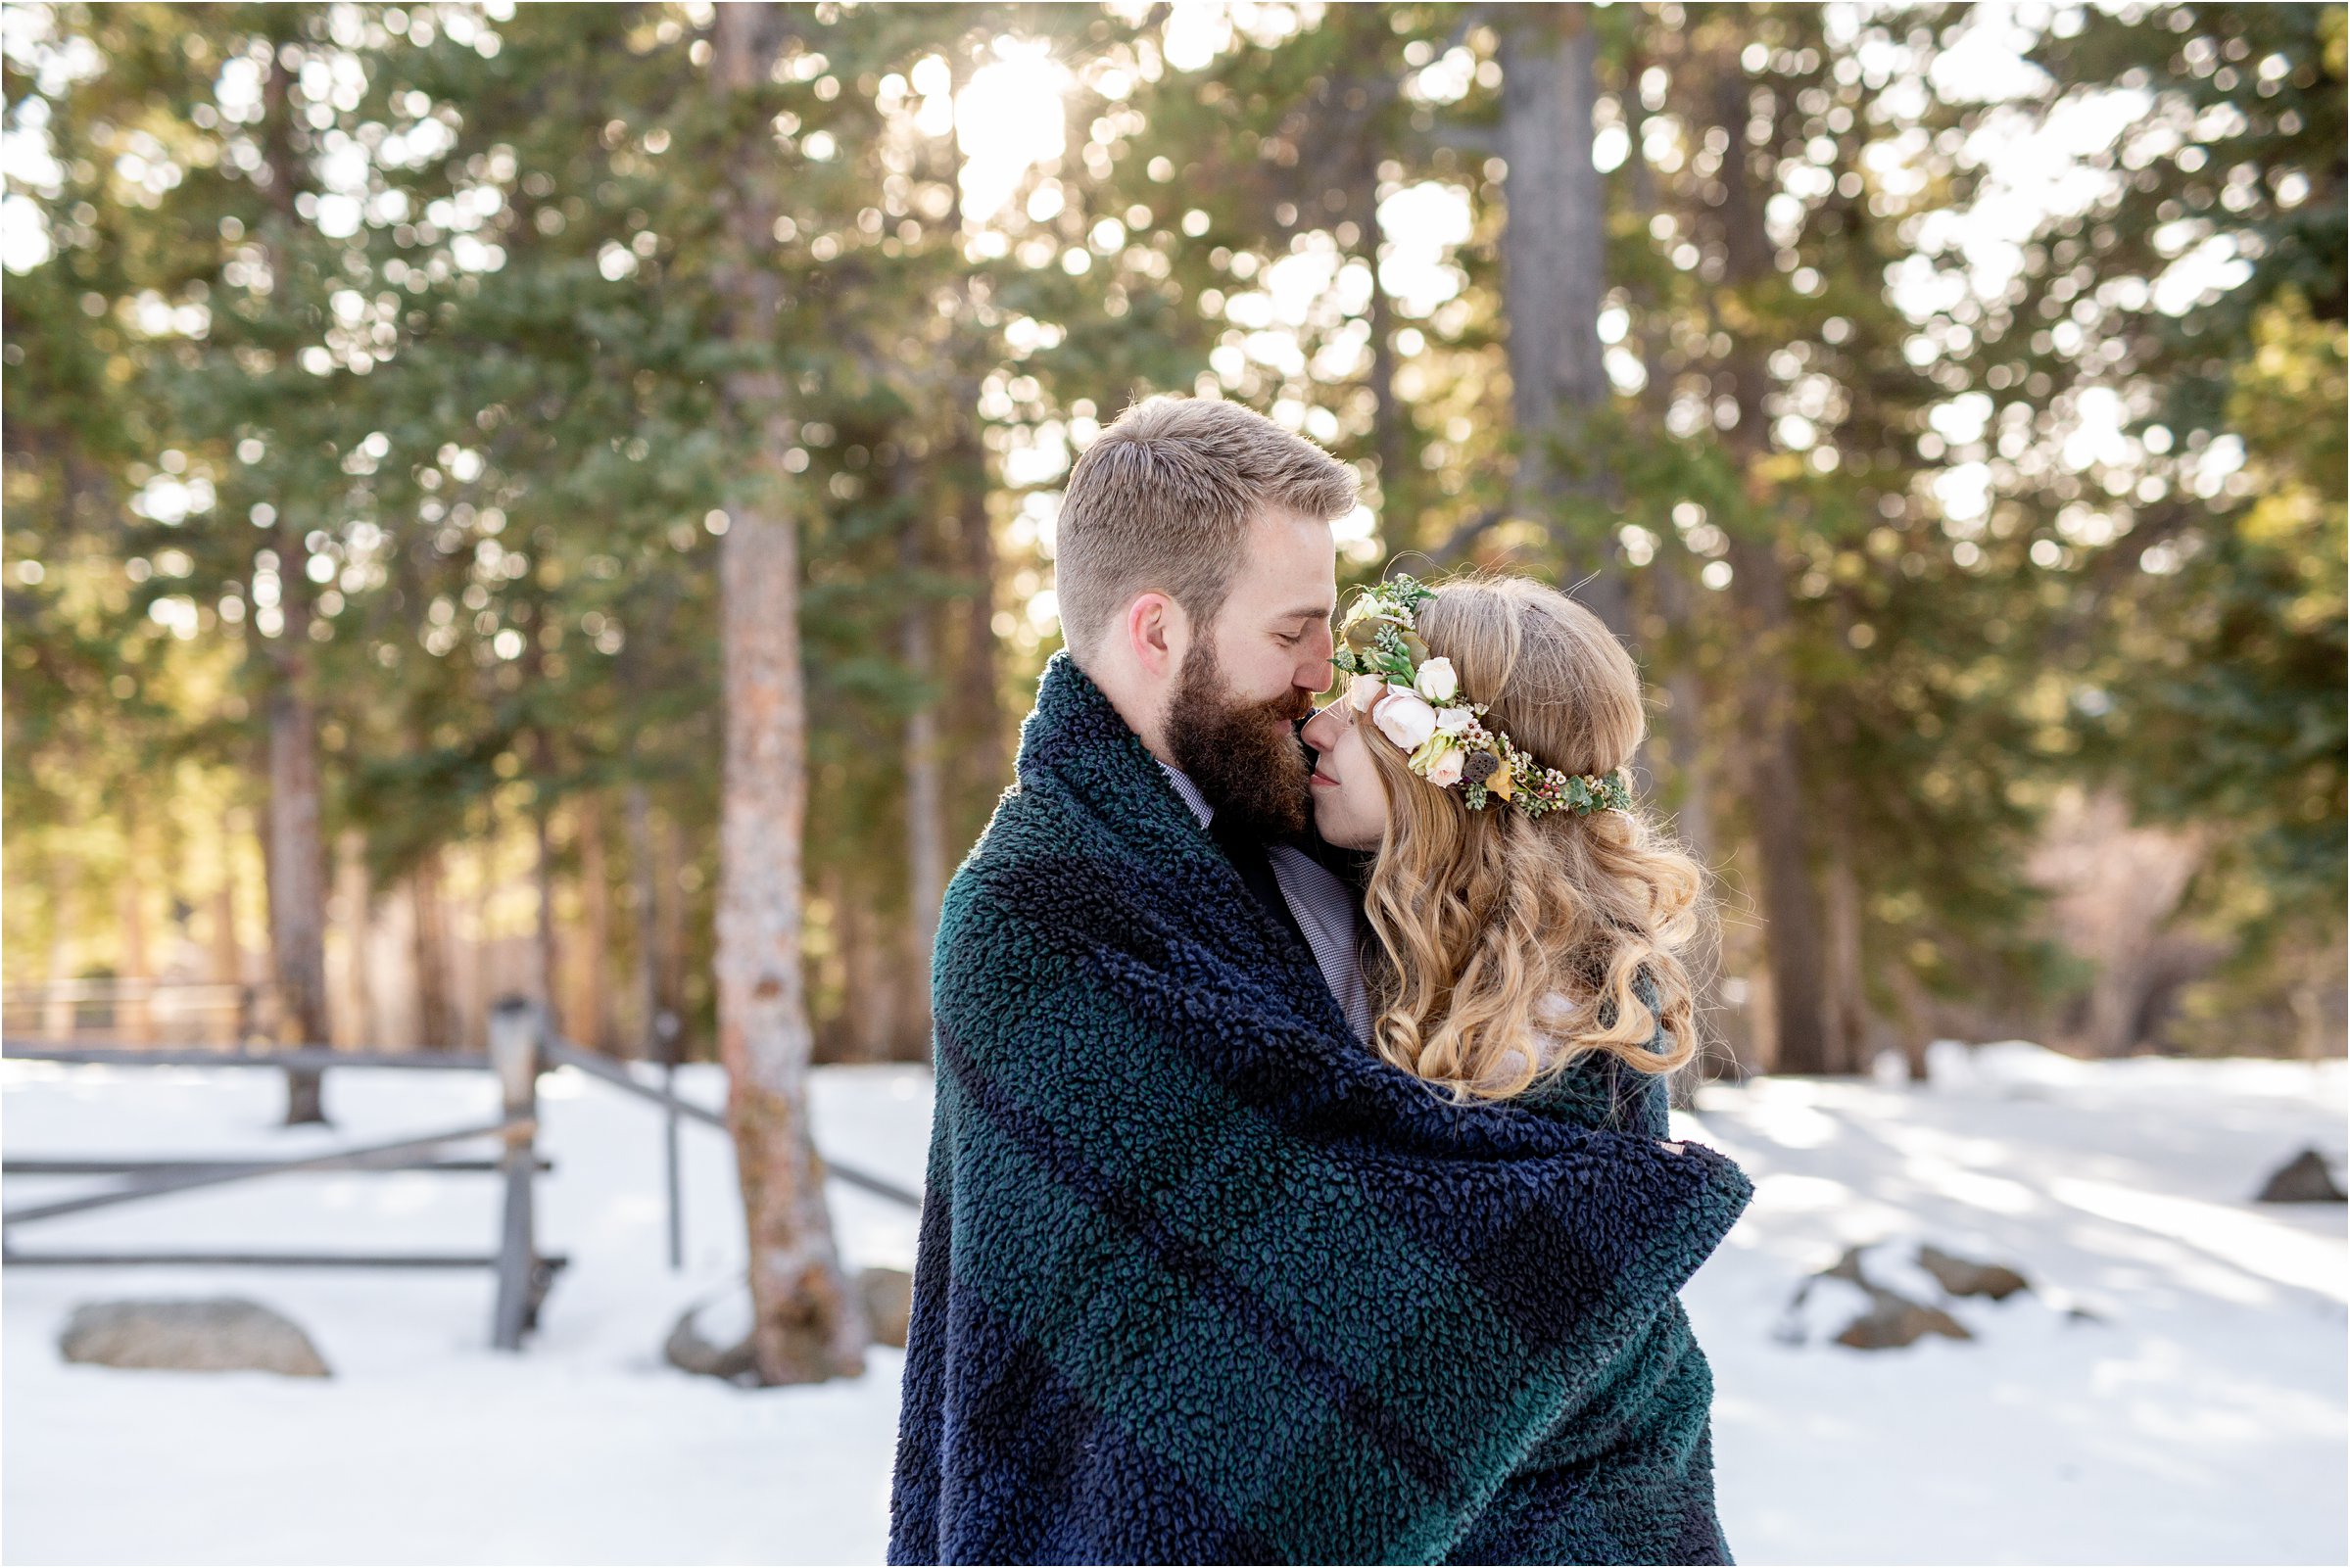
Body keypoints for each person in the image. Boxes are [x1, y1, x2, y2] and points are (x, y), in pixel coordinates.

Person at [887, 394, 1752, 1566]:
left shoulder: (1314, 827)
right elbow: (1246, 1272)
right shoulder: (1040, 913)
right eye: (1294, 630)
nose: (1323, 672)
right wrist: (1557, 1244)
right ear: (1156, 632)